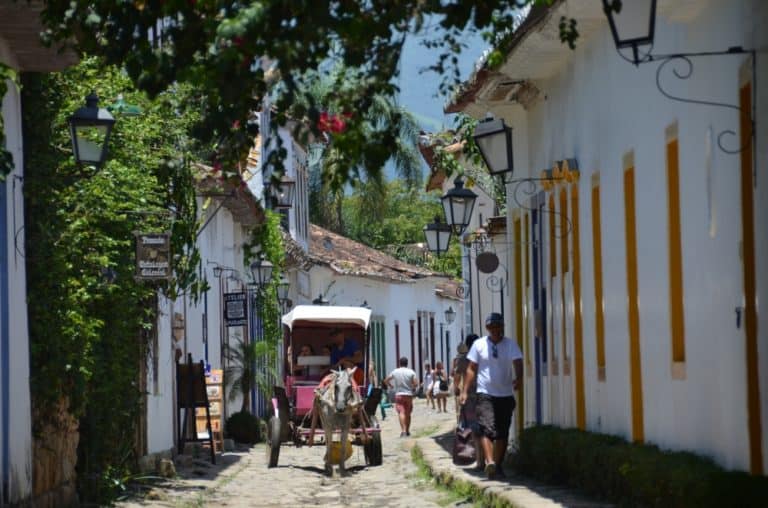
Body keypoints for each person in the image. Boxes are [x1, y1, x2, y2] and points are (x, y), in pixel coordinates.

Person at [459, 313, 523, 479]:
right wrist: (465, 391)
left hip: (505, 394)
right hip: (485, 393)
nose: (495, 330)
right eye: (491, 327)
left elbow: (518, 361)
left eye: (498, 326)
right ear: (487, 328)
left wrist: (519, 378)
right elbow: (471, 368)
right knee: (486, 428)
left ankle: (498, 465)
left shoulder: (510, 345)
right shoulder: (479, 345)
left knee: (502, 432)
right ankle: (490, 463)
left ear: (502, 327)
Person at [453, 333, 483, 470]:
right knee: (487, 428)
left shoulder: (463, 359)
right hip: (486, 394)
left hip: (470, 397)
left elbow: (457, 377)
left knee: (474, 429)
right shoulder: (485, 357)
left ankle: (480, 460)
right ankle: (489, 458)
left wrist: (457, 391)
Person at [383, 357, 418, 437]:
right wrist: (411, 387)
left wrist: (391, 386)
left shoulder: (395, 371)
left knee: (401, 412)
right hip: (408, 395)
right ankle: (408, 430)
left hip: (399, 394)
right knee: (408, 413)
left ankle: (403, 431)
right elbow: (416, 384)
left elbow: (385, 380)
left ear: (399, 363)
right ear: (407, 363)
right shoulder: (411, 372)